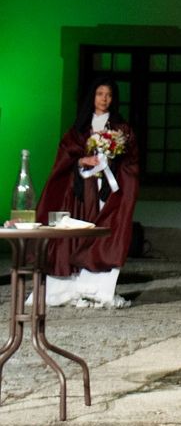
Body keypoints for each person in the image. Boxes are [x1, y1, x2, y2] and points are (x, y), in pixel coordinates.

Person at [35, 77, 139, 308]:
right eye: (100, 93)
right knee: (78, 232)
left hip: (108, 191)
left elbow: (131, 162)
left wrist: (110, 159)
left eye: (109, 95)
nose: (104, 99)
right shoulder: (78, 130)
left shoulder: (121, 129)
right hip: (81, 191)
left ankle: (96, 288)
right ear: (91, 97)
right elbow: (64, 158)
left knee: (103, 233)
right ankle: (69, 287)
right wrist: (83, 160)